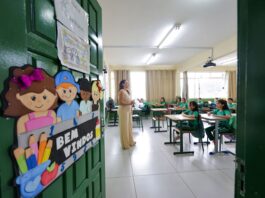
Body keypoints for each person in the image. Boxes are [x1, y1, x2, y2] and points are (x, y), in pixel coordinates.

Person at [3, 66, 58, 134]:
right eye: (33, 98)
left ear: (54, 95)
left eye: (44, 97)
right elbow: (21, 139)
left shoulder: (52, 114)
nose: (40, 101)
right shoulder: (24, 119)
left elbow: (54, 131)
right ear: (18, 96)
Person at [118, 80, 136, 149]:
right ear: (122, 84)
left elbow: (128, 101)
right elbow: (120, 102)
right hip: (123, 111)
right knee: (124, 127)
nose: (128, 84)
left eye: (128, 83)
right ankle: (125, 144)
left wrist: (131, 105)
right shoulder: (121, 91)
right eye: (126, 83)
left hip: (128, 110)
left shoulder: (127, 91)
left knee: (129, 126)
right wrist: (130, 103)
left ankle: (130, 141)